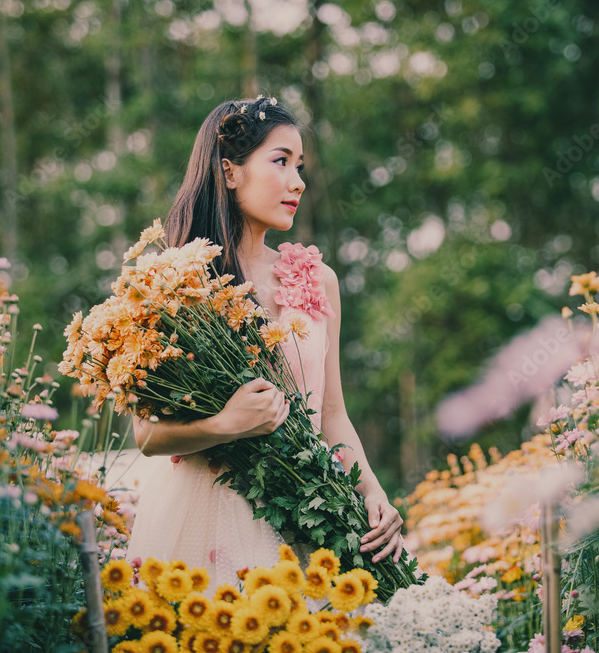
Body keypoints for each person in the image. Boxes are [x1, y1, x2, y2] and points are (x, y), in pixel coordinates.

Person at [125, 95, 404, 588]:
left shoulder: (319, 280)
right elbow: (147, 436)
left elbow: (332, 414)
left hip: (305, 515)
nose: (298, 182)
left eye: (300, 166)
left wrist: (372, 493)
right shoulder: (176, 286)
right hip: (203, 515)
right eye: (280, 161)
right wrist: (225, 424)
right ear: (230, 172)